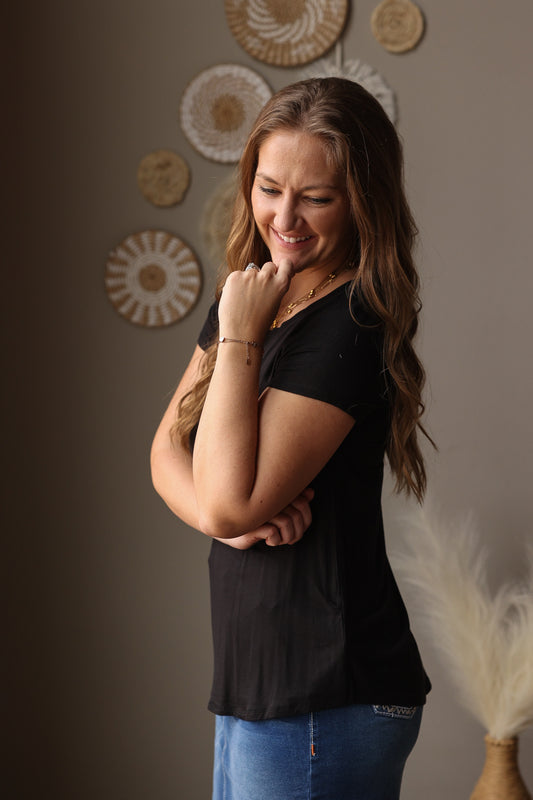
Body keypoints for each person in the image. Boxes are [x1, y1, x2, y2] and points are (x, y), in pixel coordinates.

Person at [151, 77, 432, 800]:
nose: (285, 218)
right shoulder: (249, 294)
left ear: (362, 200)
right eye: (269, 188)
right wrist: (225, 520)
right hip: (261, 686)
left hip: (324, 694)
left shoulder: (350, 320)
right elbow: (165, 452)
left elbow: (226, 498)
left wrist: (240, 336)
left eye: (317, 197)